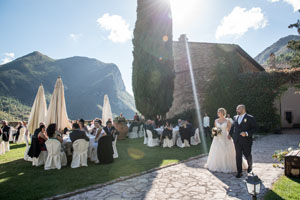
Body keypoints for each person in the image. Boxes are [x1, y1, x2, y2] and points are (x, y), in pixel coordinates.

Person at [207, 108, 248, 174]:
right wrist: (215, 133)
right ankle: (218, 165)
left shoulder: (227, 120)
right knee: (217, 150)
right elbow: (215, 129)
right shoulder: (216, 120)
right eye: (218, 112)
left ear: (223, 113)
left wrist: (230, 136)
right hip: (218, 138)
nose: (218, 113)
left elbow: (230, 130)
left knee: (228, 150)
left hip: (225, 136)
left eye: (219, 112)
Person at [229, 105, 257, 178]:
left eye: (238, 109)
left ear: (243, 109)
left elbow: (255, 128)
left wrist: (247, 133)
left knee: (247, 155)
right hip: (237, 140)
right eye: (236, 109)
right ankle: (239, 172)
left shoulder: (250, 118)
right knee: (238, 156)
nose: (237, 110)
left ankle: (250, 166)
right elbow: (233, 126)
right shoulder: (235, 117)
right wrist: (230, 134)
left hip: (246, 140)